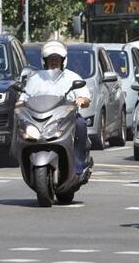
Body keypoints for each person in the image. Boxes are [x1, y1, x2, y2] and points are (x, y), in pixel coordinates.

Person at [18, 40, 93, 173]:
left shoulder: (72, 77)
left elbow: (86, 98)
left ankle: (78, 163)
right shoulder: (35, 79)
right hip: (40, 118)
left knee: (81, 125)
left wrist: (81, 99)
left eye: (57, 59)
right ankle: (23, 160)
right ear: (44, 61)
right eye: (51, 59)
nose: (54, 62)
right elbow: (24, 98)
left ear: (63, 60)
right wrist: (19, 104)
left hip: (67, 118)